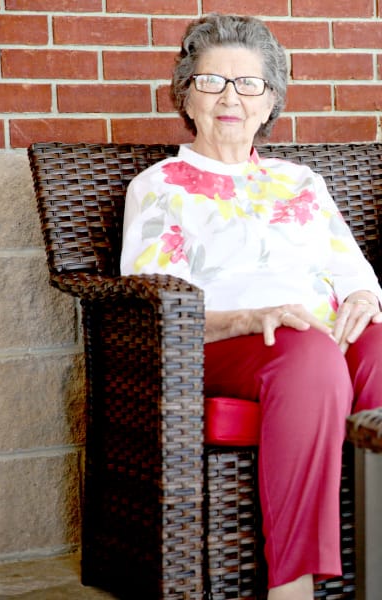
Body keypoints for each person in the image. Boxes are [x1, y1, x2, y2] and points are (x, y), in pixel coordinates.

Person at [120, 13, 382, 600]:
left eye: (249, 84)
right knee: (311, 358)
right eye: (212, 81)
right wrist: (253, 318)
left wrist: (363, 299)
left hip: (314, 333)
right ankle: (292, 585)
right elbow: (158, 306)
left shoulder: (302, 182)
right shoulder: (160, 186)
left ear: (270, 103)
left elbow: (352, 272)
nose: (231, 97)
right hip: (227, 345)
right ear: (187, 95)